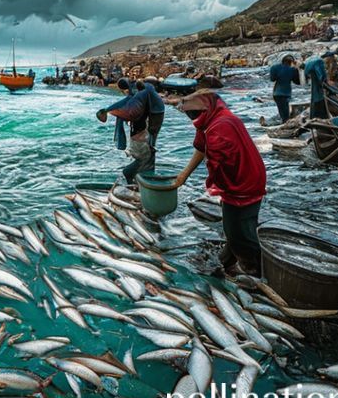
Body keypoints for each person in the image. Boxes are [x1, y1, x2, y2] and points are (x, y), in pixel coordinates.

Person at [168, 90, 266, 276]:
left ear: (205, 109)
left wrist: (217, 189)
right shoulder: (214, 117)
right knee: (238, 224)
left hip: (243, 181)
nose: (192, 118)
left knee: (237, 229)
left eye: (194, 114)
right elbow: (202, 148)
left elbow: (218, 164)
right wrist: (183, 176)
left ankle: (254, 270)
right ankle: (227, 260)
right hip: (250, 174)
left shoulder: (219, 127)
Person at [97, 78, 165, 184]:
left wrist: (111, 111)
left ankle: (130, 177)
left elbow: (130, 110)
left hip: (142, 131)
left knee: (143, 159)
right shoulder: (147, 92)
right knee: (148, 157)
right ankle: (143, 183)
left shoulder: (140, 94)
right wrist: (108, 110)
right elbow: (128, 104)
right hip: (148, 127)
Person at [269, 55, 300, 122]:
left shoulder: (275, 67)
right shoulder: (292, 70)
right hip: (286, 93)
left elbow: (272, 79)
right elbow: (297, 82)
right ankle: (286, 123)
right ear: (291, 62)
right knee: (286, 113)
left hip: (277, 93)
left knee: (282, 112)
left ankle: (284, 122)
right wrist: (297, 69)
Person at [303, 54, 329, 119]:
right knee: (320, 100)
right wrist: (325, 82)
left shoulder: (310, 63)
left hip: (314, 84)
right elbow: (321, 76)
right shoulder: (319, 62)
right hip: (319, 89)